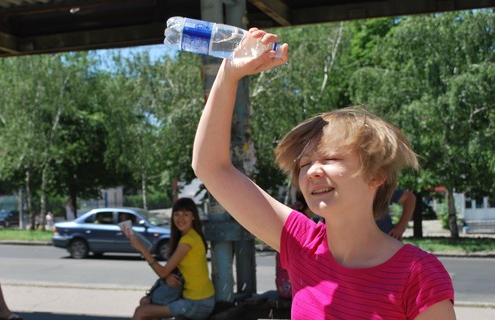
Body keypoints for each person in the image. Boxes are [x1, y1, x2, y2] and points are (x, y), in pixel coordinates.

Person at [191, 28, 455, 319]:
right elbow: (210, 167)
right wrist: (229, 75)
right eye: (303, 165)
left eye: (330, 158)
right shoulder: (302, 245)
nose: (312, 172)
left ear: (376, 176)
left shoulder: (418, 275)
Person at [122, 198, 215, 320]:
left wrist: (143, 250)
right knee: (145, 302)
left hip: (198, 302)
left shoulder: (188, 241)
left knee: (141, 312)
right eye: (177, 214)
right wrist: (167, 277)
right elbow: (172, 271)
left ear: (193, 217)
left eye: (185, 214)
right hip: (195, 297)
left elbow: (163, 272)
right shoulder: (189, 236)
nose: (180, 219)